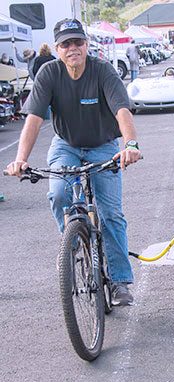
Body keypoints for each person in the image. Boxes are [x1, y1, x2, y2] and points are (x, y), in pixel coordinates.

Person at [7, 18, 141, 306]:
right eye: (66, 44)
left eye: (77, 42)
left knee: (110, 213)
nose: (73, 48)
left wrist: (130, 144)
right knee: (58, 193)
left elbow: (121, 109)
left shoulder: (102, 70)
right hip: (65, 144)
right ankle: (74, 244)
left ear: (86, 44)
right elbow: (33, 119)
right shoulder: (49, 74)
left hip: (103, 145)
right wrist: (20, 159)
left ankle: (119, 281)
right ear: (57, 49)